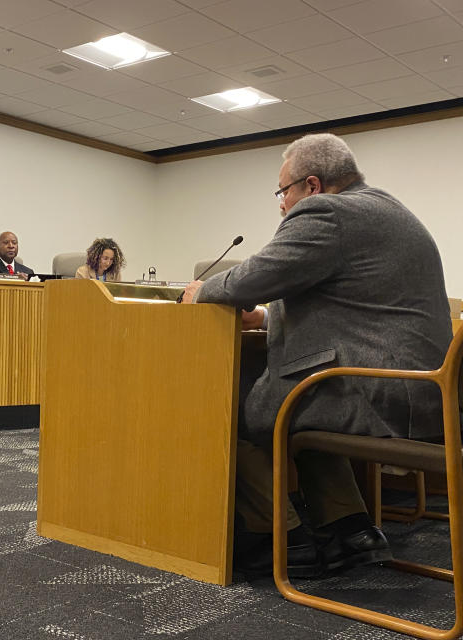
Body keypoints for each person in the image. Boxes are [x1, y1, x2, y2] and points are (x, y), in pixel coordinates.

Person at [181, 133, 452, 577]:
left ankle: (282, 540)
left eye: (282, 190)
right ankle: (351, 532)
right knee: (295, 404)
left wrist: (201, 292)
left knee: (234, 411)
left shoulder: (326, 211)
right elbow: (345, 308)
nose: (281, 202)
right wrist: (266, 320)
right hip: (425, 393)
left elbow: (253, 278)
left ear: (311, 185)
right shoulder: (388, 209)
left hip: (383, 396)